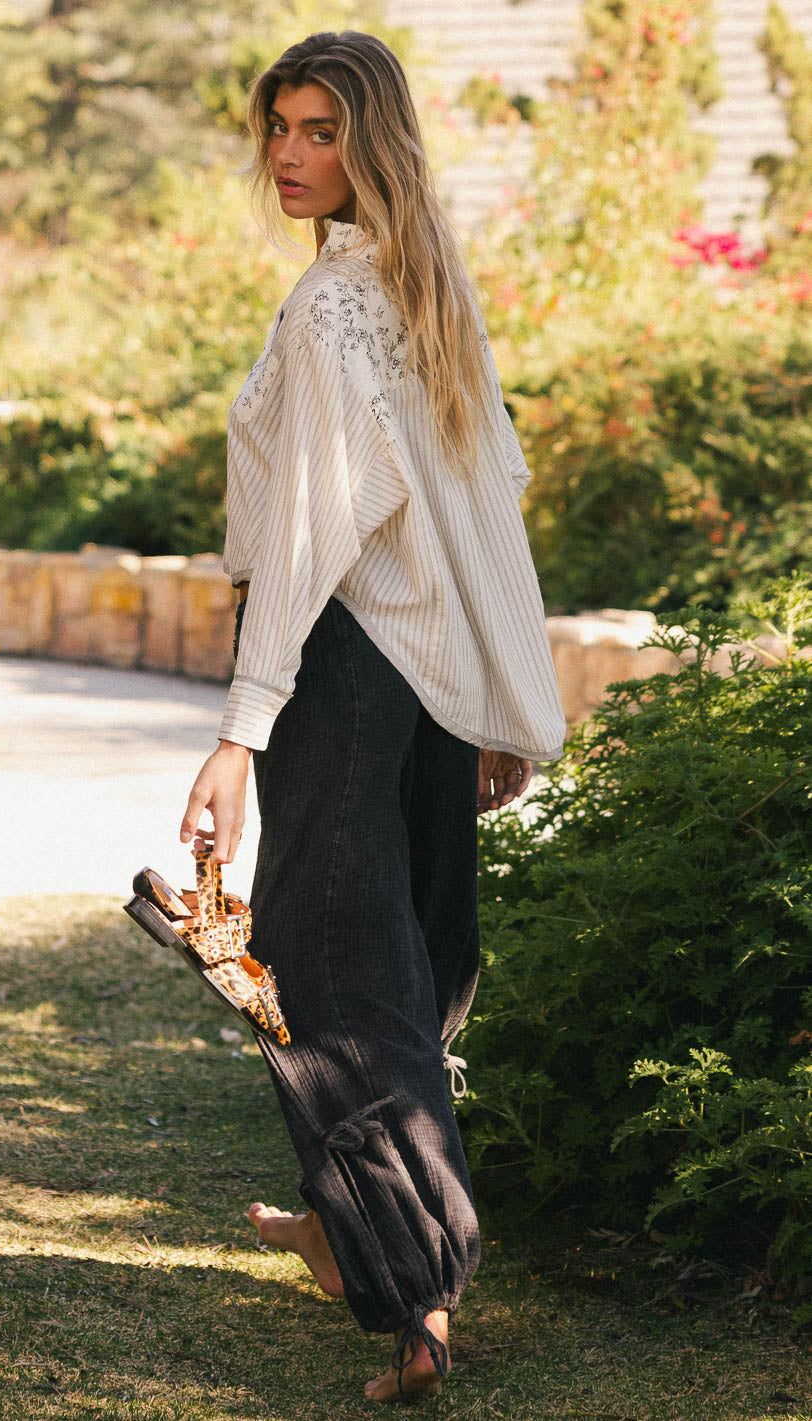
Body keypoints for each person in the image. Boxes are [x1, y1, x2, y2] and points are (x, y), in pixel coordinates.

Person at [180, 30, 565, 1403]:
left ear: (373, 142)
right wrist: (497, 702)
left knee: (337, 970)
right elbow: (486, 509)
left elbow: (304, 536)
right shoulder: (419, 285)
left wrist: (242, 725)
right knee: (405, 949)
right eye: (278, 127)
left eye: (319, 131)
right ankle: (351, 1231)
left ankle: (420, 1285)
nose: (289, 155)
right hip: (422, 684)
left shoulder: (336, 311)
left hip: (346, 671)